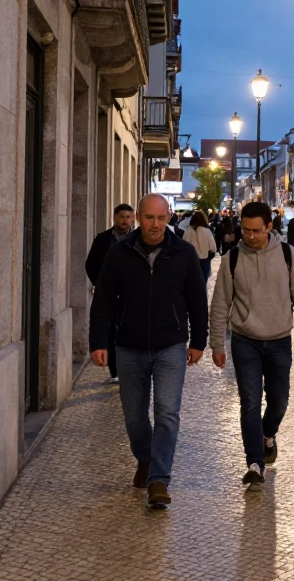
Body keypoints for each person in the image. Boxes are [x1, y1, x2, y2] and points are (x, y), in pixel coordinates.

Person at [88, 194, 207, 509]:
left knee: (168, 413)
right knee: (134, 417)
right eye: (149, 218)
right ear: (139, 217)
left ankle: (158, 479)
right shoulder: (119, 253)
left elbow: (197, 300)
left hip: (170, 345)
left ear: (169, 216)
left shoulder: (183, 252)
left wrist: (199, 341)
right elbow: (103, 301)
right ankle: (144, 457)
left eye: (161, 218)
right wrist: (98, 341)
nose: (156, 225)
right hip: (129, 346)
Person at [210, 201, 294, 490]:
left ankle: (268, 434)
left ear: (270, 227)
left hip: (279, 339)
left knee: (279, 400)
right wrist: (217, 342)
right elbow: (220, 304)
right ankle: (254, 463)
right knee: (249, 403)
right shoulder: (233, 259)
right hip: (245, 341)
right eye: (246, 230)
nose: (251, 236)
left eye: (257, 230)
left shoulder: (287, 255)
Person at [85, 203, 135, 383]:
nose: (125, 220)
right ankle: (115, 371)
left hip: (132, 296)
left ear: (133, 218)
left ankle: (129, 368)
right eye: (122, 216)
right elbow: (91, 264)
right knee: (111, 332)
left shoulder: (139, 240)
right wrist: (102, 285)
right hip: (110, 295)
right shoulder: (103, 239)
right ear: (114, 217)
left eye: (129, 217)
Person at [183, 211, 218, 284]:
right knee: (203, 283)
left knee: (191, 283)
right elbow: (213, 247)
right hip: (204, 260)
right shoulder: (206, 231)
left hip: (191, 261)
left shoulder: (187, 231)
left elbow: (184, 247)